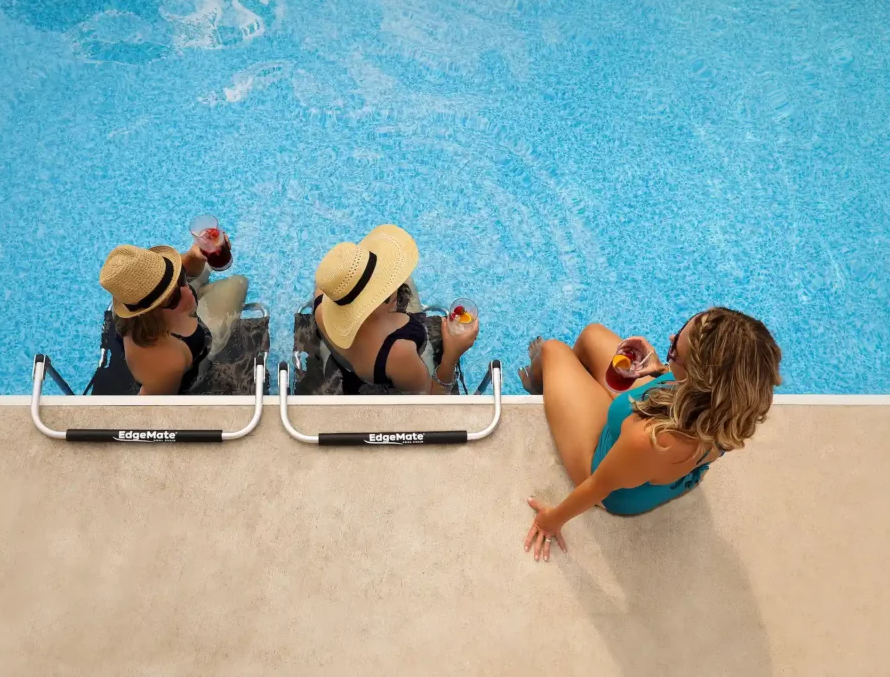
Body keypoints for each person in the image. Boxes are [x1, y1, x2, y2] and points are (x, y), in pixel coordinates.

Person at [517, 308, 782, 561]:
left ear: (697, 378)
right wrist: (660, 369)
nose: (669, 338)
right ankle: (573, 383)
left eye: (674, 349)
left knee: (553, 350)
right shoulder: (731, 408)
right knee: (591, 335)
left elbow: (597, 486)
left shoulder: (652, 439)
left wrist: (550, 521)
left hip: (610, 467)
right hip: (652, 453)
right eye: (678, 334)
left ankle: (541, 383)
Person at [313, 224, 478, 394]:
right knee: (408, 280)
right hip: (393, 370)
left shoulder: (322, 301)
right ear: (372, 305)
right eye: (386, 289)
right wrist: (452, 355)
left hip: (345, 360)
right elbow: (428, 400)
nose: (395, 287)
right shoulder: (398, 352)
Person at [99, 243, 248, 394]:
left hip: (177, 316)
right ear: (151, 313)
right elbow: (153, 405)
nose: (188, 291)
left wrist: (195, 257)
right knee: (238, 283)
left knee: (207, 262)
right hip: (197, 343)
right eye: (173, 298)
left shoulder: (141, 286)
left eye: (179, 277)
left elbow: (185, 271)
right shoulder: (162, 363)